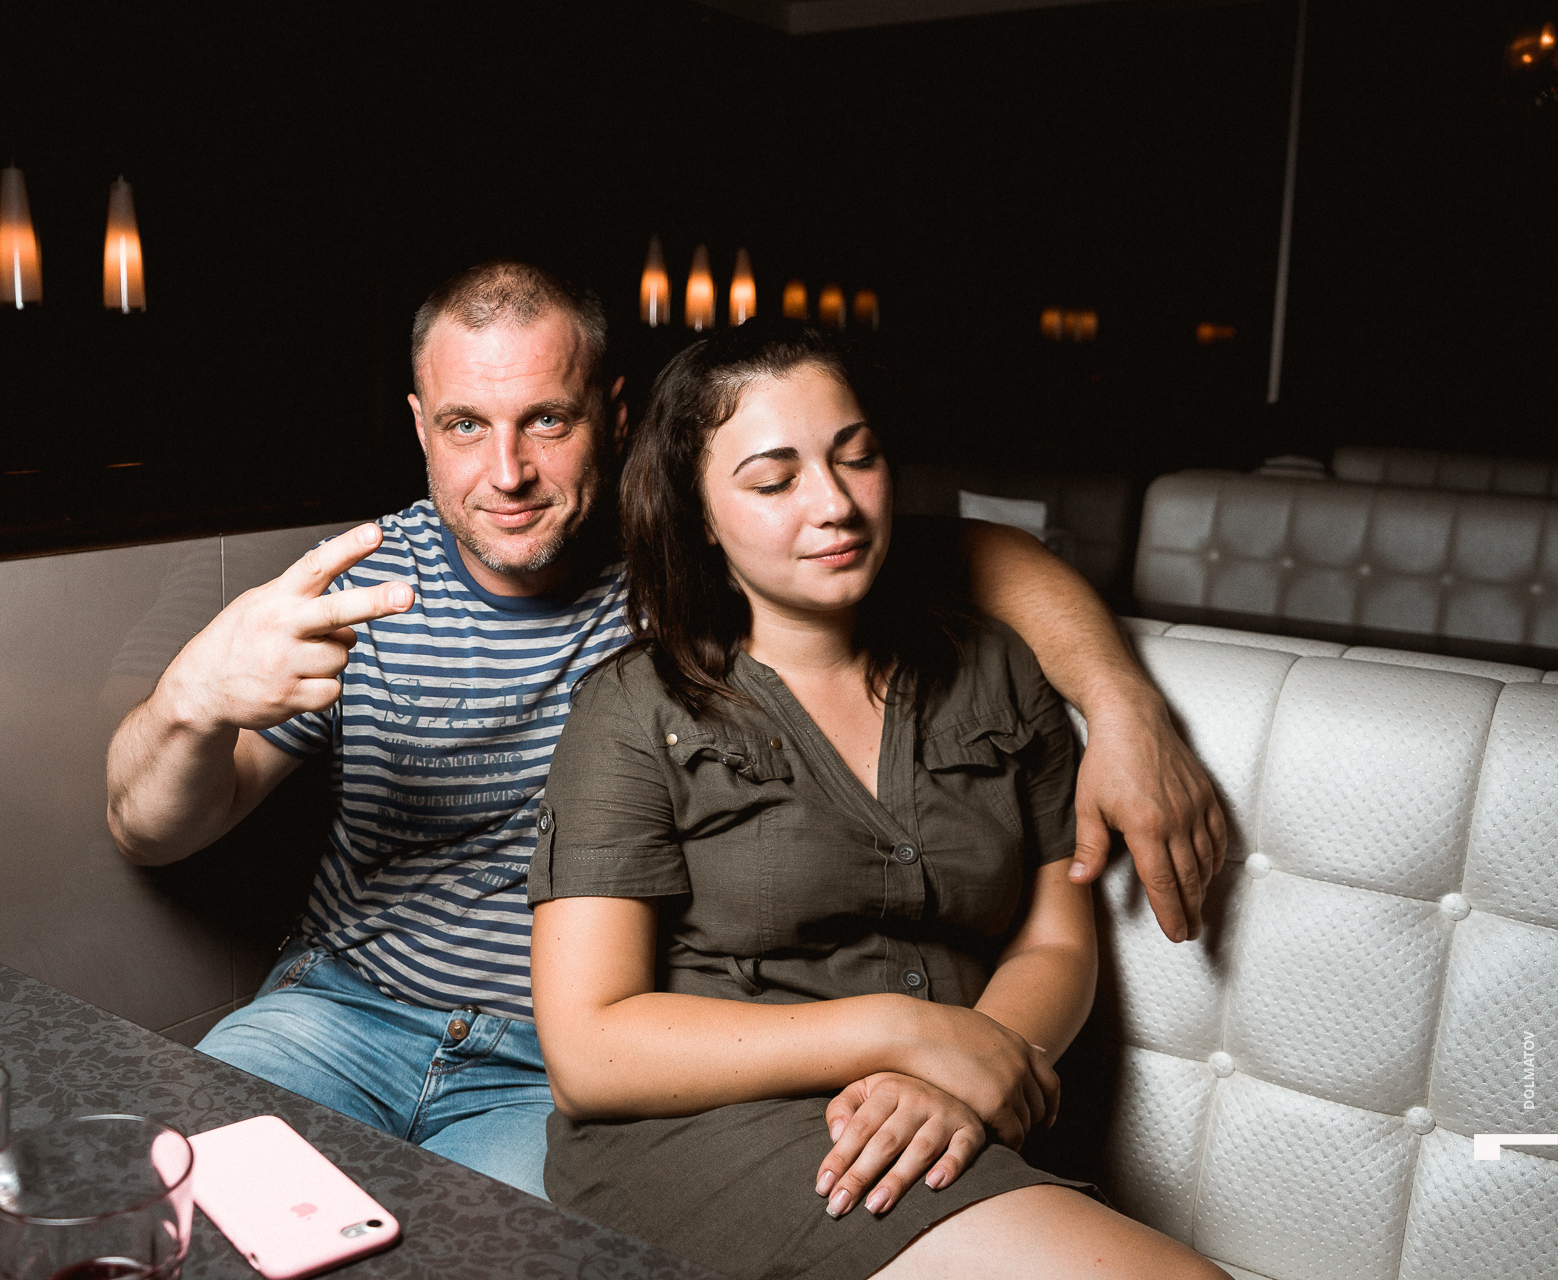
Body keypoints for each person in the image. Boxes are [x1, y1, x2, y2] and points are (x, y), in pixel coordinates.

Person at [105, 261, 1226, 1199]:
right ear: (419, 426)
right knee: (166, 1194)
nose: (507, 472)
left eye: (547, 420)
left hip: (556, 1070)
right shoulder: (363, 581)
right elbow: (148, 829)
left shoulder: (697, 563)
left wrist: (1126, 708)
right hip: (337, 1012)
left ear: (615, 414)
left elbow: (986, 557)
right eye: (465, 425)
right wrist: (189, 705)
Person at [527, 320, 1225, 1278]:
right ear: (700, 515)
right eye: (774, 482)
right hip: (705, 1132)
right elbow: (590, 1049)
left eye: (856, 458)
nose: (835, 505)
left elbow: (1055, 941)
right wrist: (907, 1033)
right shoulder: (635, 708)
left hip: (940, 1118)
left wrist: (967, 1072)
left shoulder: (998, 668)